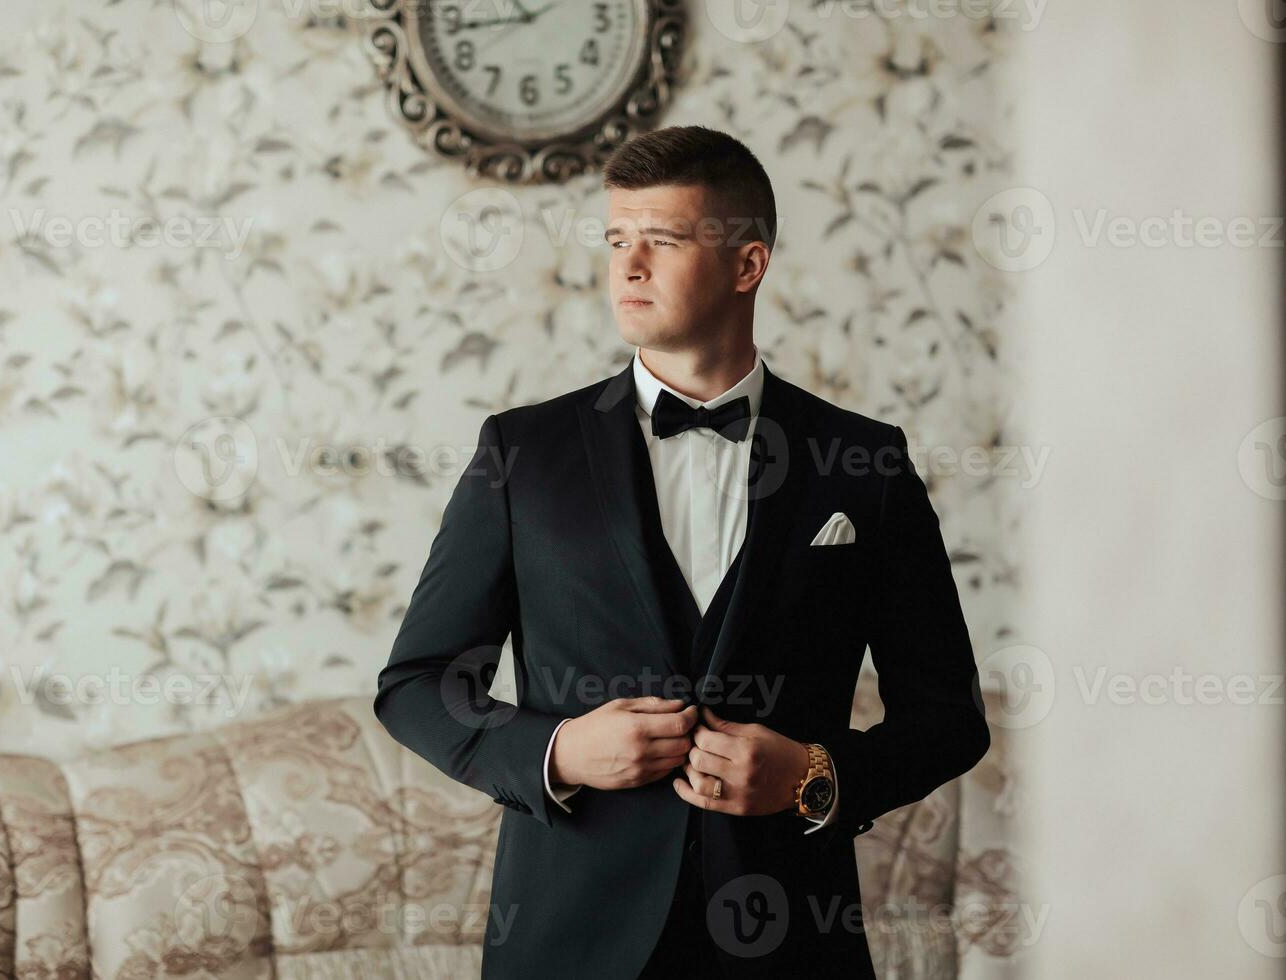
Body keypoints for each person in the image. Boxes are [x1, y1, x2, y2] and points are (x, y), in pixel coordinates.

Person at [374, 124, 990, 979]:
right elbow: (416, 685)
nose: (628, 267)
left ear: (748, 266)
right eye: (617, 240)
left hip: (791, 947)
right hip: (570, 943)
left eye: (661, 241)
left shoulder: (864, 463)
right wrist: (558, 753)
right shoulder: (522, 454)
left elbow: (950, 720)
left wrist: (812, 775)